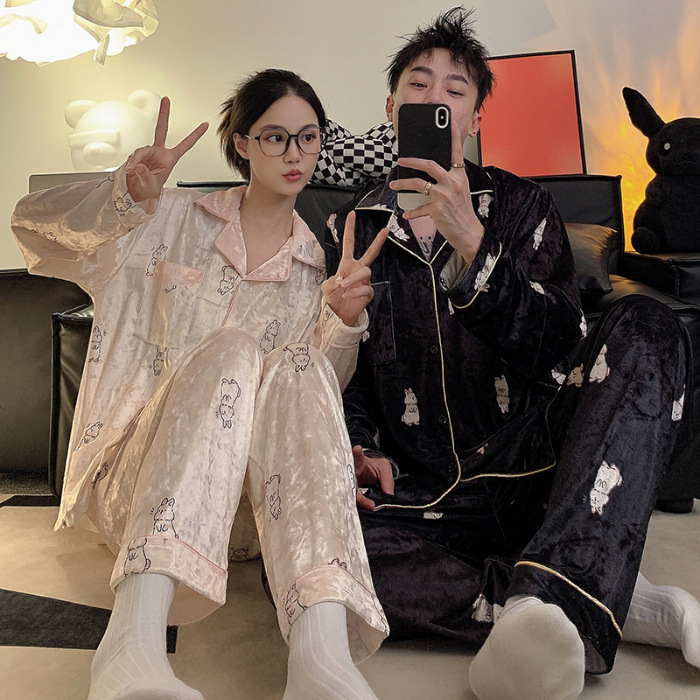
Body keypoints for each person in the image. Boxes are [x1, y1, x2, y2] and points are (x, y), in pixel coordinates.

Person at [322, 7, 700, 700]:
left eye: (454, 90)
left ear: (474, 118)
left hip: (541, 470)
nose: (434, 99)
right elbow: (350, 377)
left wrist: (474, 247)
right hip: (425, 494)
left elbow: (562, 350)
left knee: (648, 324)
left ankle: (554, 599)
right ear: (391, 107)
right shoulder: (350, 226)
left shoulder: (526, 208)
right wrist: (360, 445)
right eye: (417, 85)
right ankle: (580, 599)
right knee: (313, 560)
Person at [12, 69, 390, 700]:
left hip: (248, 518)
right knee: (233, 348)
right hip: (135, 485)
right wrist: (123, 195)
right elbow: (33, 231)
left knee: (301, 364)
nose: (294, 153)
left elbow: (306, 407)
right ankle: (129, 647)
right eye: (275, 137)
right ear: (241, 143)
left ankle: (320, 660)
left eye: (308, 137)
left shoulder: (317, 273)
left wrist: (341, 323)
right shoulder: (164, 218)